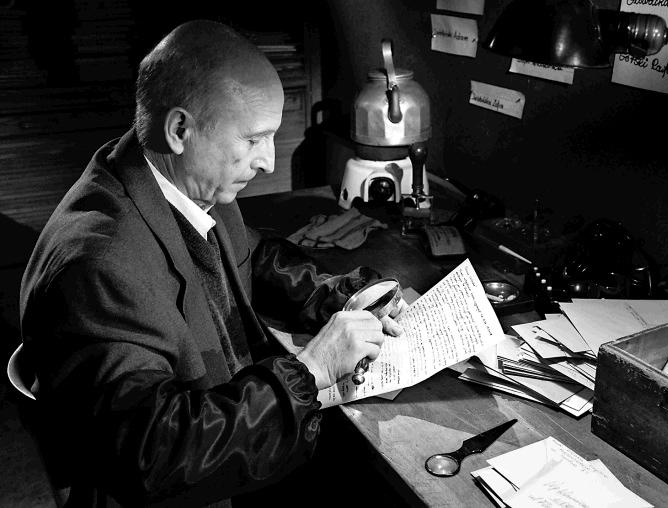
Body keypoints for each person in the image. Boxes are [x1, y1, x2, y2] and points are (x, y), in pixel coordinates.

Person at [19, 19, 403, 507]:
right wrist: (311, 369)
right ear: (180, 129)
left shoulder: (175, 179)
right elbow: (158, 454)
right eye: (253, 140)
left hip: (221, 429)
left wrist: (339, 297)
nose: (267, 161)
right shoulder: (100, 267)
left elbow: (249, 254)